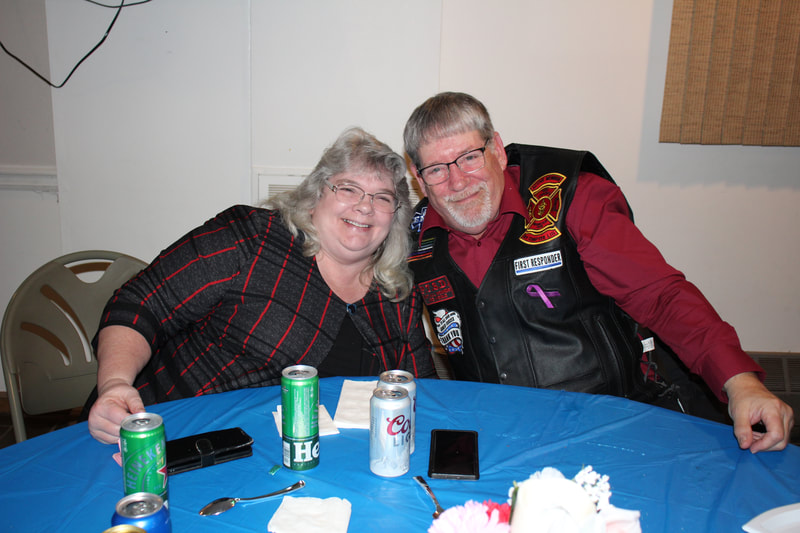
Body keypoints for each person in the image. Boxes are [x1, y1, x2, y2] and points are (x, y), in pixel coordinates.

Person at [403, 92, 794, 453]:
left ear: (498, 151)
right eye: (436, 169)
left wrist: (739, 381)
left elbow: (660, 296)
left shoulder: (573, 196)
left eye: (470, 157)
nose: (458, 181)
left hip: (614, 427)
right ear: (419, 180)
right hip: (501, 441)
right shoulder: (414, 241)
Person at [88, 127, 435, 444]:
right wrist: (115, 384)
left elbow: (425, 392)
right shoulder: (252, 238)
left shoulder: (397, 293)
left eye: (382, 198)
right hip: (170, 436)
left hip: (303, 463)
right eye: (348, 188)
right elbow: (142, 302)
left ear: (395, 216)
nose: (365, 206)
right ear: (315, 195)